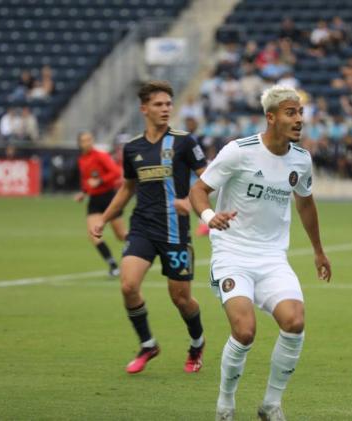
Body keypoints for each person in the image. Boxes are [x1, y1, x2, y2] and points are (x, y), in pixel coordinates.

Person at [189, 85, 332, 421]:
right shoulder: (239, 151)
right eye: (290, 113)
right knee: (245, 330)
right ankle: (225, 405)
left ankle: (270, 404)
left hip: (272, 258)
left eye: (300, 113)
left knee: (294, 322)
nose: (298, 119)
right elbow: (199, 190)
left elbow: (306, 202)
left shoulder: (301, 159)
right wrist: (210, 218)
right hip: (232, 253)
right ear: (271, 117)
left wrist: (318, 251)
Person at [92, 81, 208, 374]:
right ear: (144, 109)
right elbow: (127, 188)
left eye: (169, 104)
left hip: (175, 232)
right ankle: (148, 344)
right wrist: (104, 219)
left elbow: (209, 179)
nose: (166, 109)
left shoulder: (184, 141)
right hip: (142, 227)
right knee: (129, 285)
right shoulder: (132, 148)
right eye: (159, 104)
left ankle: (197, 343)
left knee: (181, 299)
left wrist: (190, 202)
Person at [75, 131, 126, 277]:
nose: (87, 143)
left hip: (109, 198)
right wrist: (83, 192)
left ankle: (139, 248)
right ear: (80, 143)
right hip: (94, 200)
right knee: (94, 234)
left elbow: (116, 172)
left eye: (89, 139)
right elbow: (87, 180)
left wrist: (100, 181)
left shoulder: (101, 156)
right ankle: (112, 264)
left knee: (121, 235)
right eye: (84, 140)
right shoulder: (81, 160)